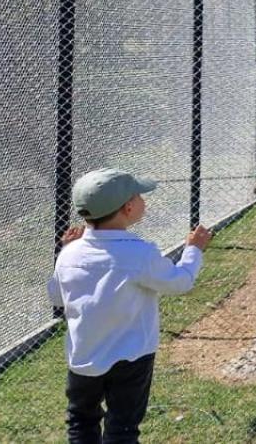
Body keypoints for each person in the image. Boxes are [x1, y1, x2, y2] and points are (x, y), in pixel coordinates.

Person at [48, 168, 212, 444]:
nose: (143, 201)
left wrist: (66, 251)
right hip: (132, 357)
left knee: (80, 422)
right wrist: (193, 250)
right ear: (128, 207)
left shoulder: (69, 253)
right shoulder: (139, 252)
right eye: (139, 196)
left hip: (83, 356)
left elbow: (56, 296)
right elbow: (179, 282)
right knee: (123, 428)